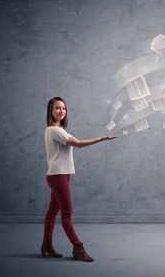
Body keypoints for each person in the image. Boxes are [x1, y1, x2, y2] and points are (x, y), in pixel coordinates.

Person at [41, 97, 117, 262]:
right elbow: (79, 144)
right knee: (66, 214)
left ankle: (46, 244)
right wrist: (101, 139)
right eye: (57, 108)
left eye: (63, 108)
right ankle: (78, 248)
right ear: (51, 111)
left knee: (53, 212)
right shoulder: (55, 131)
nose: (61, 111)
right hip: (58, 176)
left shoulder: (58, 130)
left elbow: (77, 142)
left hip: (59, 175)